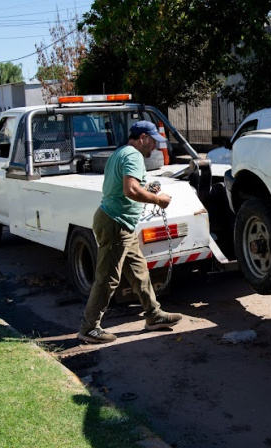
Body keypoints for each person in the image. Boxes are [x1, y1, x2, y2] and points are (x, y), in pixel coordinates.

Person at [78, 121, 183, 344]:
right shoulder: (133, 156)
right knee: (107, 278)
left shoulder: (120, 153)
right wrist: (158, 199)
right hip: (116, 224)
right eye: (153, 141)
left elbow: (128, 188)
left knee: (139, 271)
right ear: (143, 137)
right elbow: (131, 189)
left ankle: (154, 315)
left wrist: (147, 190)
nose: (154, 146)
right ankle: (89, 328)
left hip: (119, 222)